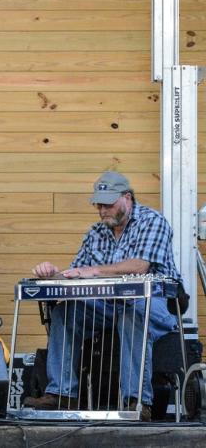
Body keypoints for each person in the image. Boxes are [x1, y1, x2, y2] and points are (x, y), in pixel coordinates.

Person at [23, 172, 181, 422]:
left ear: (127, 198)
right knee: (64, 313)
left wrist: (93, 270)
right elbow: (77, 274)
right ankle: (61, 393)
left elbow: (140, 266)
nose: (102, 210)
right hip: (107, 306)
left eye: (108, 203)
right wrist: (53, 274)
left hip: (155, 304)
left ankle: (137, 402)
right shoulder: (95, 232)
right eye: (99, 204)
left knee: (133, 313)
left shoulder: (153, 221)